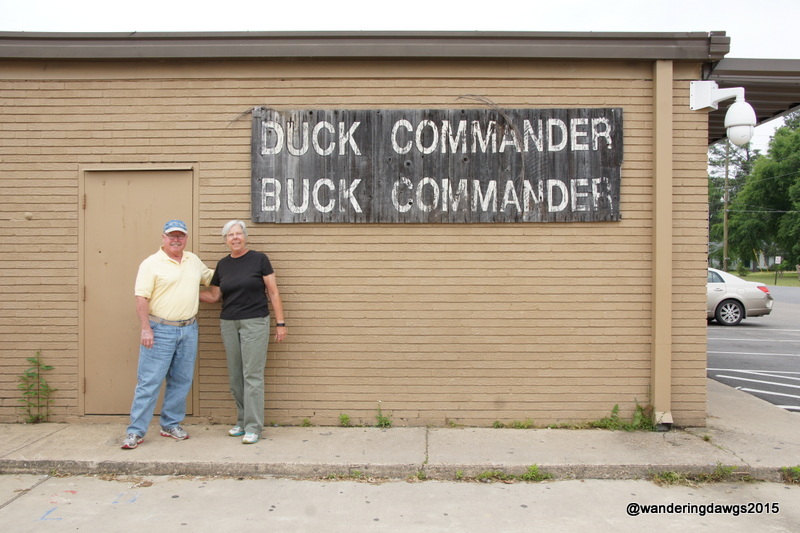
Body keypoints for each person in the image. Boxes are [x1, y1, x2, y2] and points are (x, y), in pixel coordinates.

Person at [122, 220, 214, 449]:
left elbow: (213, 279)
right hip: (159, 329)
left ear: (186, 238)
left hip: (189, 329)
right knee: (149, 382)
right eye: (172, 236)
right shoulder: (151, 264)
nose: (176, 239)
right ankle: (136, 431)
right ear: (163, 238)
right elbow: (141, 297)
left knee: (181, 380)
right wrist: (146, 328)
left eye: (180, 236)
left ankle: (170, 424)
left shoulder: (193, 261)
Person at [200, 219, 287, 444]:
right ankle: (242, 421)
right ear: (226, 240)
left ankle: (254, 427)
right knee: (235, 376)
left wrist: (280, 323)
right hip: (229, 323)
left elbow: (274, 292)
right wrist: (186, 290)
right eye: (230, 235)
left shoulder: (259, 259)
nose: (235, 238)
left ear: (245, 236)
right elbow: (214, 297)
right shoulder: (223, 264)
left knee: (252, 375)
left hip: (255, 322)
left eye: (238, 233)